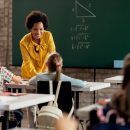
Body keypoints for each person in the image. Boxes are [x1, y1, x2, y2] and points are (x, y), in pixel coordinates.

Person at [20, 10, 56, 79]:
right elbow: (27, 62)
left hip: (45, 74)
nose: (38, 32)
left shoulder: (48, 36)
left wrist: (45, 74)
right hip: (28, 75)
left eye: (41, 29)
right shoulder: (23, 42)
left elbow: (52, 55)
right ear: (30, 29)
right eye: (35, 29)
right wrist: (37, 76)